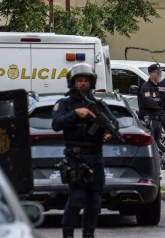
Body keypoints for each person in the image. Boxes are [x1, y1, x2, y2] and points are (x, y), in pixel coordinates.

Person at [52, 63, 112, 238]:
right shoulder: (65, 104)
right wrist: (76, 114)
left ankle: (88, 233)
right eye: (79, 81)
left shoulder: (98, 104)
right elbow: (56, 124)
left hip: (96, 156)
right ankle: (68, 233)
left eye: (86, 80)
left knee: (95, 200)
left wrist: (109, 133)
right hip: (76, 158)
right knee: (76, 197)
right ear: (73, 83)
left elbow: (114, 123)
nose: (83, 84)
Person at [137, 63, 163, 147]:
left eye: (160, 72)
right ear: (150, 73)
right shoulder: (145, 87)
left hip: (158, 118)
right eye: (157, 72)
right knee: (149, 143)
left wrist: (160, 102)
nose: (159, 74)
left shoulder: (160, 86)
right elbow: (150, 103)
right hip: (148, 119)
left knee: (156, 142)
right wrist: (160, 102)